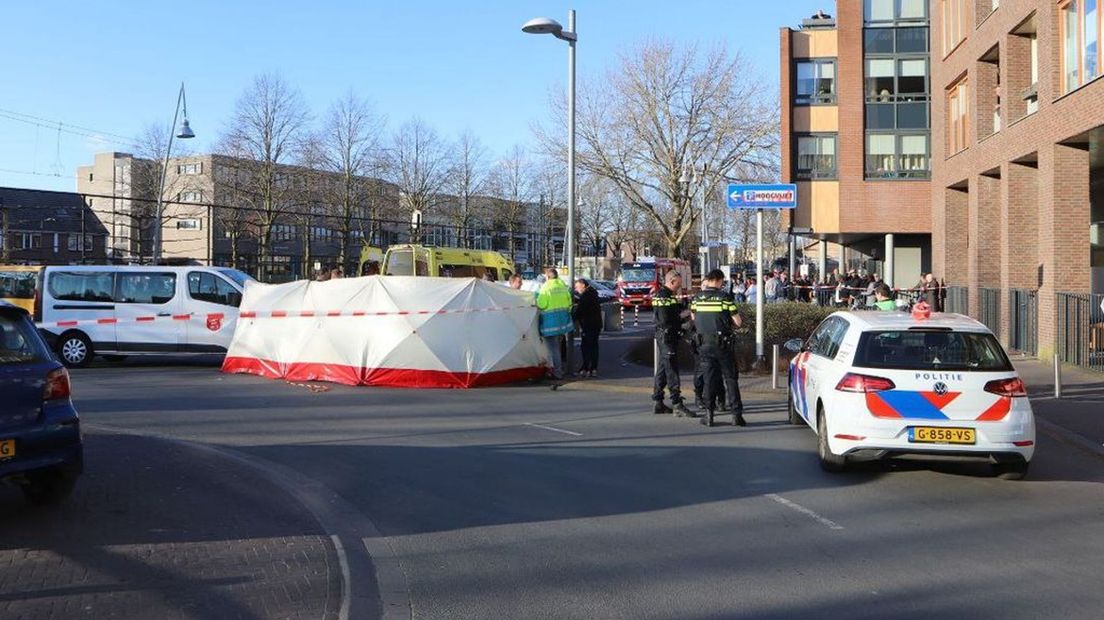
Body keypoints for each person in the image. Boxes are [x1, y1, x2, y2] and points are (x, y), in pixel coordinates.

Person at [691, 269, 745, 427]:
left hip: (704, 344)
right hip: (723, 344)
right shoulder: (724, 298)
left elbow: (694, 317)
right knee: (731, 378)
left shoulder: (697, 298)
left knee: (709, 380)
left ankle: (709, 416)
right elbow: (738, 321)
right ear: (719, 280)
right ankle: (736, 416)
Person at [652, 271, 693, 417]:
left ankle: (658, 401)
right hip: (667, 337)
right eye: (678, 284)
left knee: (663, 369)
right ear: (672, 281)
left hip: (665, 336)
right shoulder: (664, 296)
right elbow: (665, 319)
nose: (679, 287)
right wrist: (682, 317)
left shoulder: (665, 295)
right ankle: (677, 403)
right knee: (672, 370)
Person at [536, 268, 574, 388]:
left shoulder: (546, 287)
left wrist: (536, 297)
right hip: (562, 322)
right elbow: (569, 304)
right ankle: (557, 370)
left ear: (547, 277)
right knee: (557, 347)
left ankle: (556, 372)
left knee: (552, 349)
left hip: (550, 323)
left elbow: (542, 304)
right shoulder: (563, 286)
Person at [572, 278, 603, 378]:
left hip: (588, 325)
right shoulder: (593, 293)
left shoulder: (586, 296)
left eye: (577, 287)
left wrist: (572, 317)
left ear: (583, 285)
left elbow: (580, 311)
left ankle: (585, 368)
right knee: (594, 346)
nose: (576, 289)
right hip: (596, 324)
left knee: (585, 347)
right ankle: (593, 368)